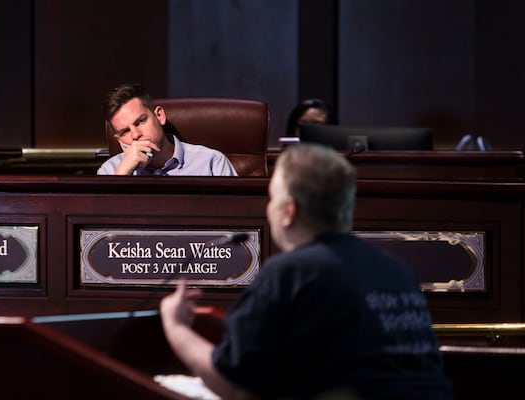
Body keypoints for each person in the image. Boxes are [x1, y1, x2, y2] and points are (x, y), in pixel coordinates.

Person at [160, 144, 456, 399]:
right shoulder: (396, 270)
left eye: (272, 197)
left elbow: (236, 386)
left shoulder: (292, 273)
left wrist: (176, 328)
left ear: (288, 211)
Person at [97, 82, 238, 176]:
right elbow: (101, 220)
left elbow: (238, 217)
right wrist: (121, 177)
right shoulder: (110, 171)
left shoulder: (211, 162)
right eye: (125, 131)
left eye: (140, 121)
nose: (135, 135)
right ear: (119, 139)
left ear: (159, 116)